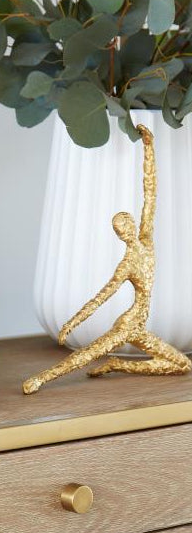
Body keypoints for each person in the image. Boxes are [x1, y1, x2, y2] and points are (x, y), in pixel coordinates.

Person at [23, 124, 191, 395]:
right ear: (120, 234)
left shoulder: (146, 240)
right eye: (121, 228)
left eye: (127, 223)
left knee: (180, 364)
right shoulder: (127, 264)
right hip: (127, 325)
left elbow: (150, 193)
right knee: (86, 355)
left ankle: (117, 364)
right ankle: (41, 379)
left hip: (141, 328)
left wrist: (148, 147)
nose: (126, 228)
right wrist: (72, 323)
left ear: (133, 224)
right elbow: (101, 298)